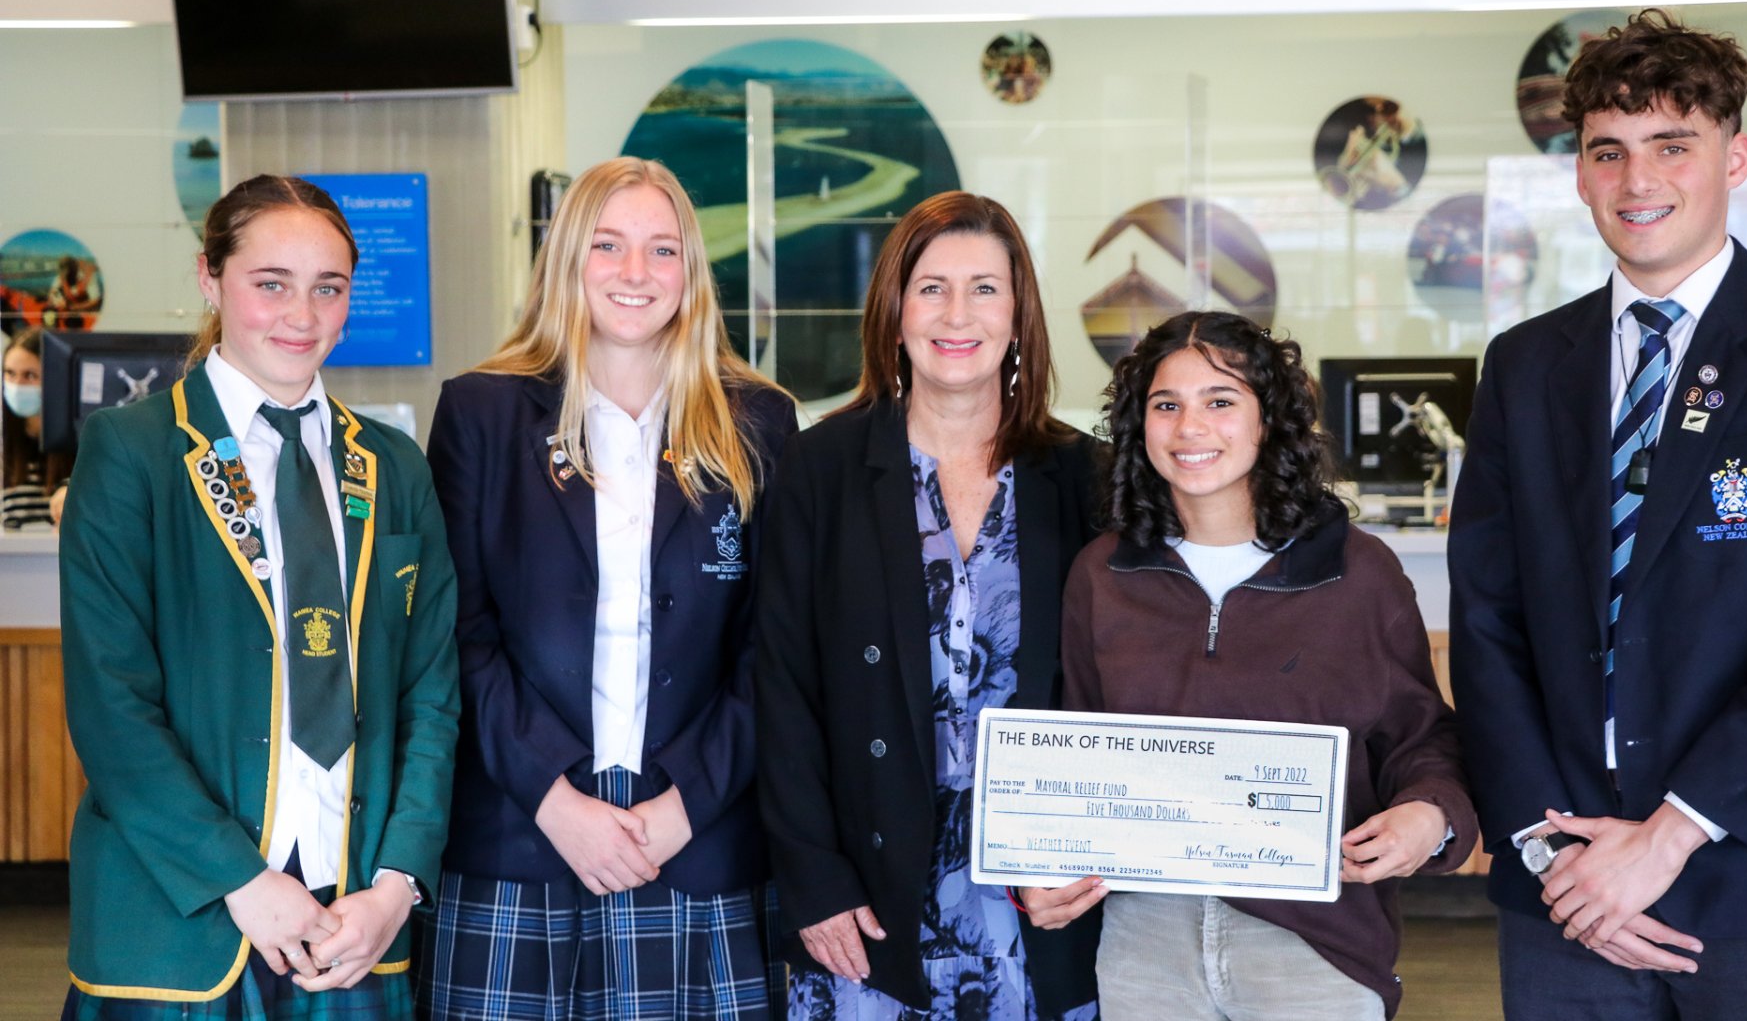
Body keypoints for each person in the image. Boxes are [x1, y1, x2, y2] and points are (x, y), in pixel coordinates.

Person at [1448, 10, 1747, 1020]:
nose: (1636, 180)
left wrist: (1666, 838)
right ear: (1579, 173)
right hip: (1566, 880)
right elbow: (1486, 623)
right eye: (1607, 152)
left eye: (1671, 146)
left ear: (1734, 157)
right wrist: (1547, 846)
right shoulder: (1525, 367)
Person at [58, 174, 461, 1016]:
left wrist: (396, 885)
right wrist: (239, 877)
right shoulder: (131, 453)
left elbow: (431, 694)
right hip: (181, 917)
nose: (301, 316)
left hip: (353, 922)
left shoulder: (394, 464)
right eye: (269, 284)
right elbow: (111, 704)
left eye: (329, 288)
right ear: (210, 279)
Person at [417, 156, 797, 1020]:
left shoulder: (759, 422)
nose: (636, 273)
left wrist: (685, 806)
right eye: (609, 245)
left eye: (663, 251)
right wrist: (556, 801)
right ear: (566, 262)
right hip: (523, 833)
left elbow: (773, 647)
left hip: (696, 844)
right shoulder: (481, 413)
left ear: (691, 274)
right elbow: (456, 635)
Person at [1043, 310, 1474, 1020]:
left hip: (1313, 940)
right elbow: (1079, 745)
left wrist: (1430, 816)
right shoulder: (1102, 575)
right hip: (1145, 938)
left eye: (1221, 401)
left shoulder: (1358, 574)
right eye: (1166, 405)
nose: (1190, 428)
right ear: (1136, 425)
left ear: (1268, 420)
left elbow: (1422, 736)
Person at [756, 191, 1103, 1019]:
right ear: (895, 309)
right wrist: (813, 878)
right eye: (932, 287)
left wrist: (1094, 858)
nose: (958, 313)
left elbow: (1118, 691)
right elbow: (779, 685)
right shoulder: (818, 469)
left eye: (985, 288)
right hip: (866, 898)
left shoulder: (1087, 478)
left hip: (1036, 890)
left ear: (1019, 317)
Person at [2, 326, 72, 528]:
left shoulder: (81, 440)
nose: (17, 384)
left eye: (30, 375)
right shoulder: (4, 443)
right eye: (10, 373)